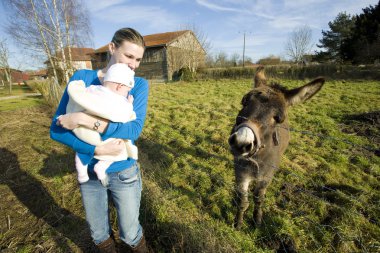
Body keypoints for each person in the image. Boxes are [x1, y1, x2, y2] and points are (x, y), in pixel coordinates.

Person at [50, 28, 150, 253]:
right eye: (129, 56)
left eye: (138, 59)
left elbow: (133, 130)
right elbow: (56, 130)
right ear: (112, 48)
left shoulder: (138, 84)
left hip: (124, 172)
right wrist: (95, 147)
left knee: (131, 234)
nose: (133, 64)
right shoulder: (82, 79)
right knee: (99, 235)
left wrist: (83, 119)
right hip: (90, 172)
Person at [66, 63, 138, 186]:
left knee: (81, 151)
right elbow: (125, 116)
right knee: (121, 147)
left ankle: (82, 175)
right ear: (120, 86)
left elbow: (80, 96)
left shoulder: (92, 89)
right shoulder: (119, 100)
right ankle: (101, 166)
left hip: (83, 132)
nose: (127, 94)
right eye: (127, 90)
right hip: (100, 138)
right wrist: (129, 103)